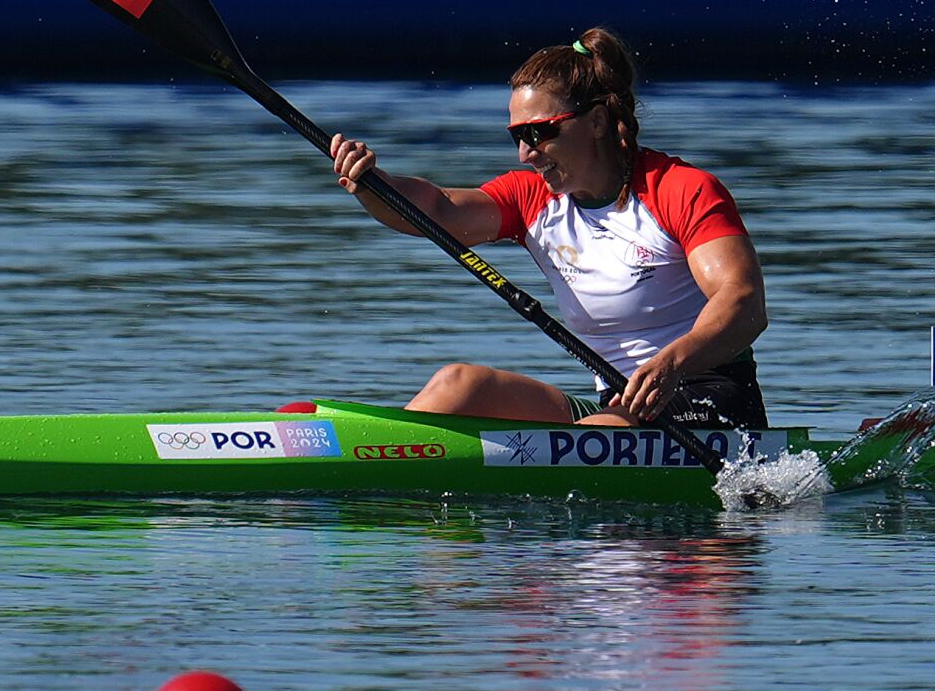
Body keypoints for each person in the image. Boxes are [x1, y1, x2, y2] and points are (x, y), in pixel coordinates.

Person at [327, 28, 768, 429]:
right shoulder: (532, 199)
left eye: (539, 133)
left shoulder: (679, 189)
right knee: (458, 384)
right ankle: (374, 457)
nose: (525, 153)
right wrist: (371, 183)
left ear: (596, 121)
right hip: (617, 405)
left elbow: (742, 302)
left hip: (709, 399)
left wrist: (673, 363)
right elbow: (438, 211)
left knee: (598, 432)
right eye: (516, 136)